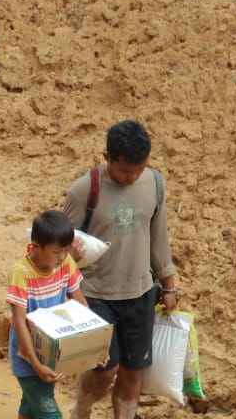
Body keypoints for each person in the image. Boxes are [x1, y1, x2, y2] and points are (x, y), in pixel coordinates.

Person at [60, 120, 178, 419]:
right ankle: (81, 412)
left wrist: (169, 284)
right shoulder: (84, 190)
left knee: (132, 371)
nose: (133, 176)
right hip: (95, 295)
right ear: (106, 157)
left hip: (140, 293)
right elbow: (58, 246)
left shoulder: (154, 183)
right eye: (125, 170)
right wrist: (69, 252)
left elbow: (158, 238)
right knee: (104, 369)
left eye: (139, 169)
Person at [8, 210, 94, 419]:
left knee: (30, 407)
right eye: (57, 252)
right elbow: (19, 322)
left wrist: (95, 341)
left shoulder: (65, 264)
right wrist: (36, 365)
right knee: (49, 413)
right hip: (27, 357)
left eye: (66, 250)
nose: (63, 256)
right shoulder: (21, 273)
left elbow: (79, 301)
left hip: (51, 352)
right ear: (36, 247)